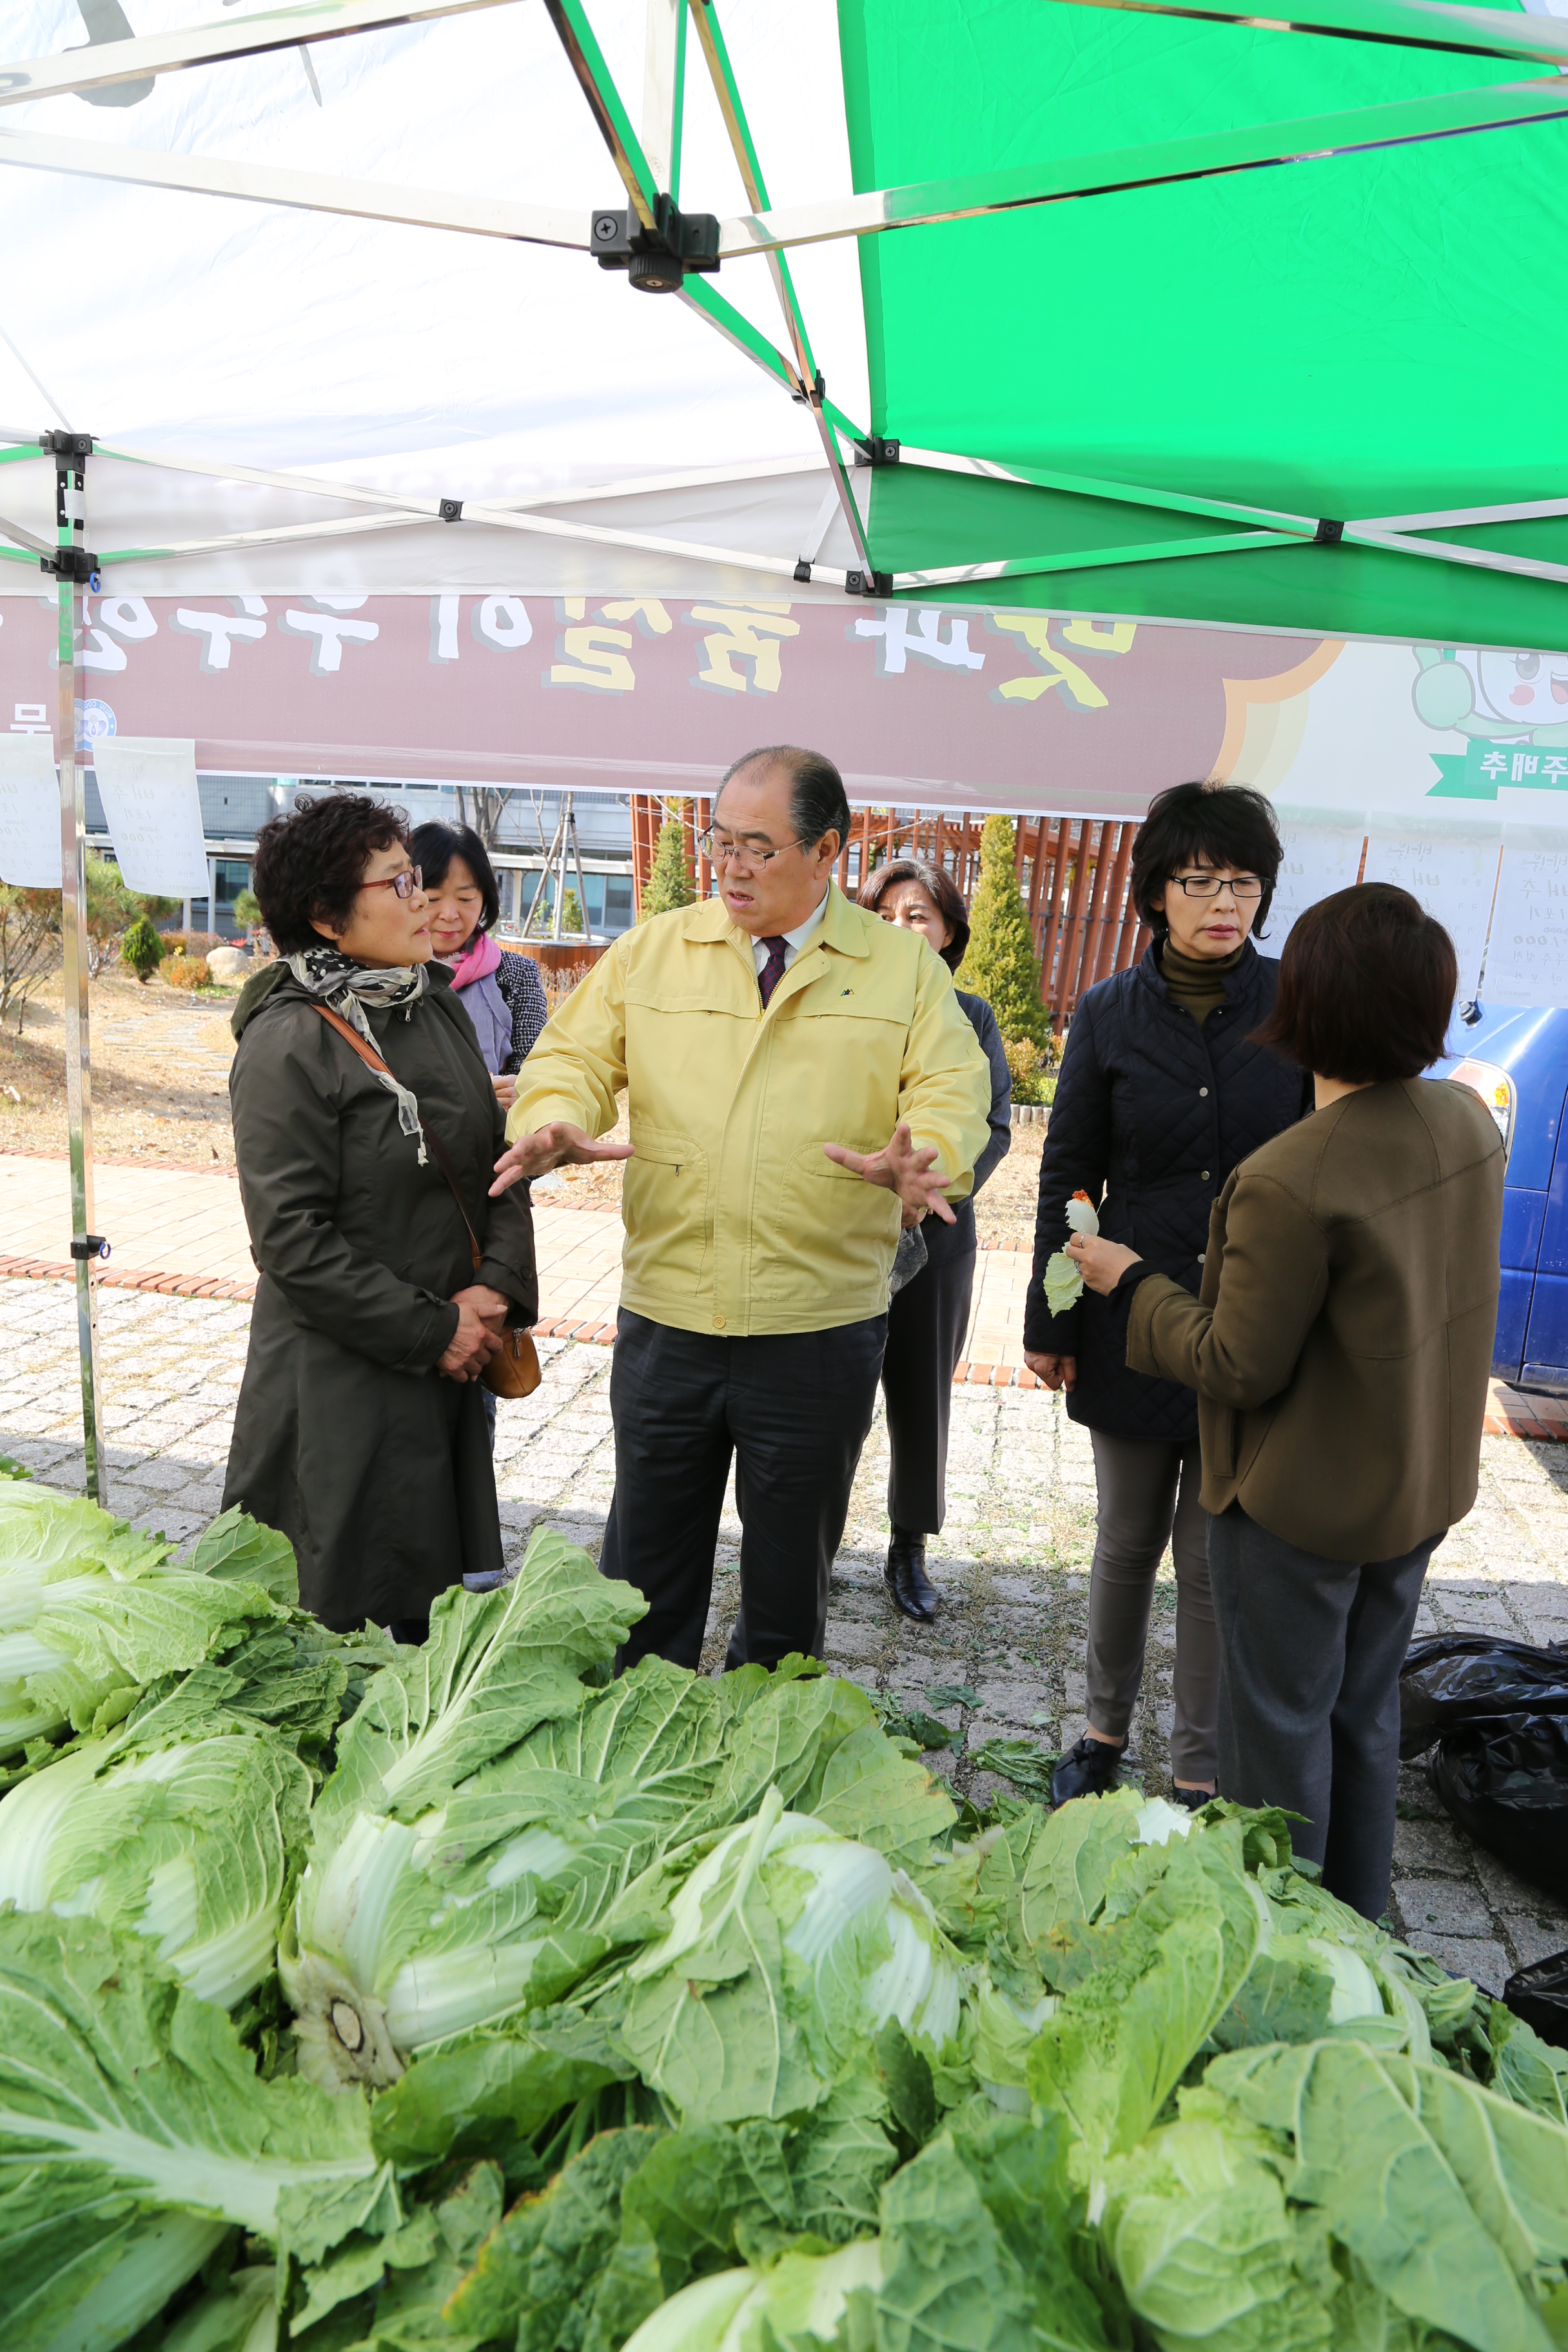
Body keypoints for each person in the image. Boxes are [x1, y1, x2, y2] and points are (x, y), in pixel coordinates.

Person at [490, 745, 992, 1672]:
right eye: (719, 841)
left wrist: (926, 1156)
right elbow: (573, 1056)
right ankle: (637, 1755)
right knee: (643, 1578)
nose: (730, 866)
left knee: (787, 1586)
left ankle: (759, 1766)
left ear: (828, 850)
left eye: (759, 848)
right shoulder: (657, 949)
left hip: (818, 1324)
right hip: (670, 1313)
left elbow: (954, 1088)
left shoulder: (899, 969)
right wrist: (555, 1117)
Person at [1066, 883, 1503, 1919]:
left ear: (1303, 1007)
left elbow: (1233, 1362)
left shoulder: (1289, 1177)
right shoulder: (1464, 1119)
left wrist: (1129, 1281)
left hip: (1301, 1506)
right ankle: (1361, 1924)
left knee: (1278, 1735)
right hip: (1417, 1484)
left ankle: (1285, 1938)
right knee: (1363, 1716)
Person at [1023, 782, 1313, 1810]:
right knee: (1126, 1539)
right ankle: (1101, 1734)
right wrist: (1051, 1318)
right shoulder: (1107, 1012)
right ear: (1156, 894)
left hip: (1251, 1327)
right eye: (1199, 881)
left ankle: (1197, 1767)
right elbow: (1071, 1176)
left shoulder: (1297, 1008)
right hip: (1133, 1319)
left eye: (1242, 882)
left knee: (1210, 1557)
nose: (1222, 901)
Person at [222, 792, 537, 1639]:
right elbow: (291, 1241)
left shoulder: (430, 1002)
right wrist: (434, 1329)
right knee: (338, 1612)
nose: (425, 902)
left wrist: (494, 1291)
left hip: (452, 1357)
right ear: (327, 918)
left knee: (427, 1606)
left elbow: (493, 1160)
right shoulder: (289, 1040)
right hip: (344, 1379)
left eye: (420, 880)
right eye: (399, 884)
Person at [856, 856, 1011, 1620]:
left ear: (948, 929)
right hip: (843, 1231)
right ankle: (808, 1538)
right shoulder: (842, 1005)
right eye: (885, 915)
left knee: (920, 1393)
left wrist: (933, 1192)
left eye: (917, 915)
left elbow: (994, 1128)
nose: (901, 928)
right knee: (827, 1391)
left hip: (937, 1236)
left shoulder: (972, 1016)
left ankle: (907, 1547)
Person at [408, 819, 548, 1110]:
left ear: (485, 898)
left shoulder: (517, 975)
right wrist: (470, 1094)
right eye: (432, 898)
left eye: (465, 898)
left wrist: (512, 1091)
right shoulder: (385, 977)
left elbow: (535, 1072)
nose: (449, 914)